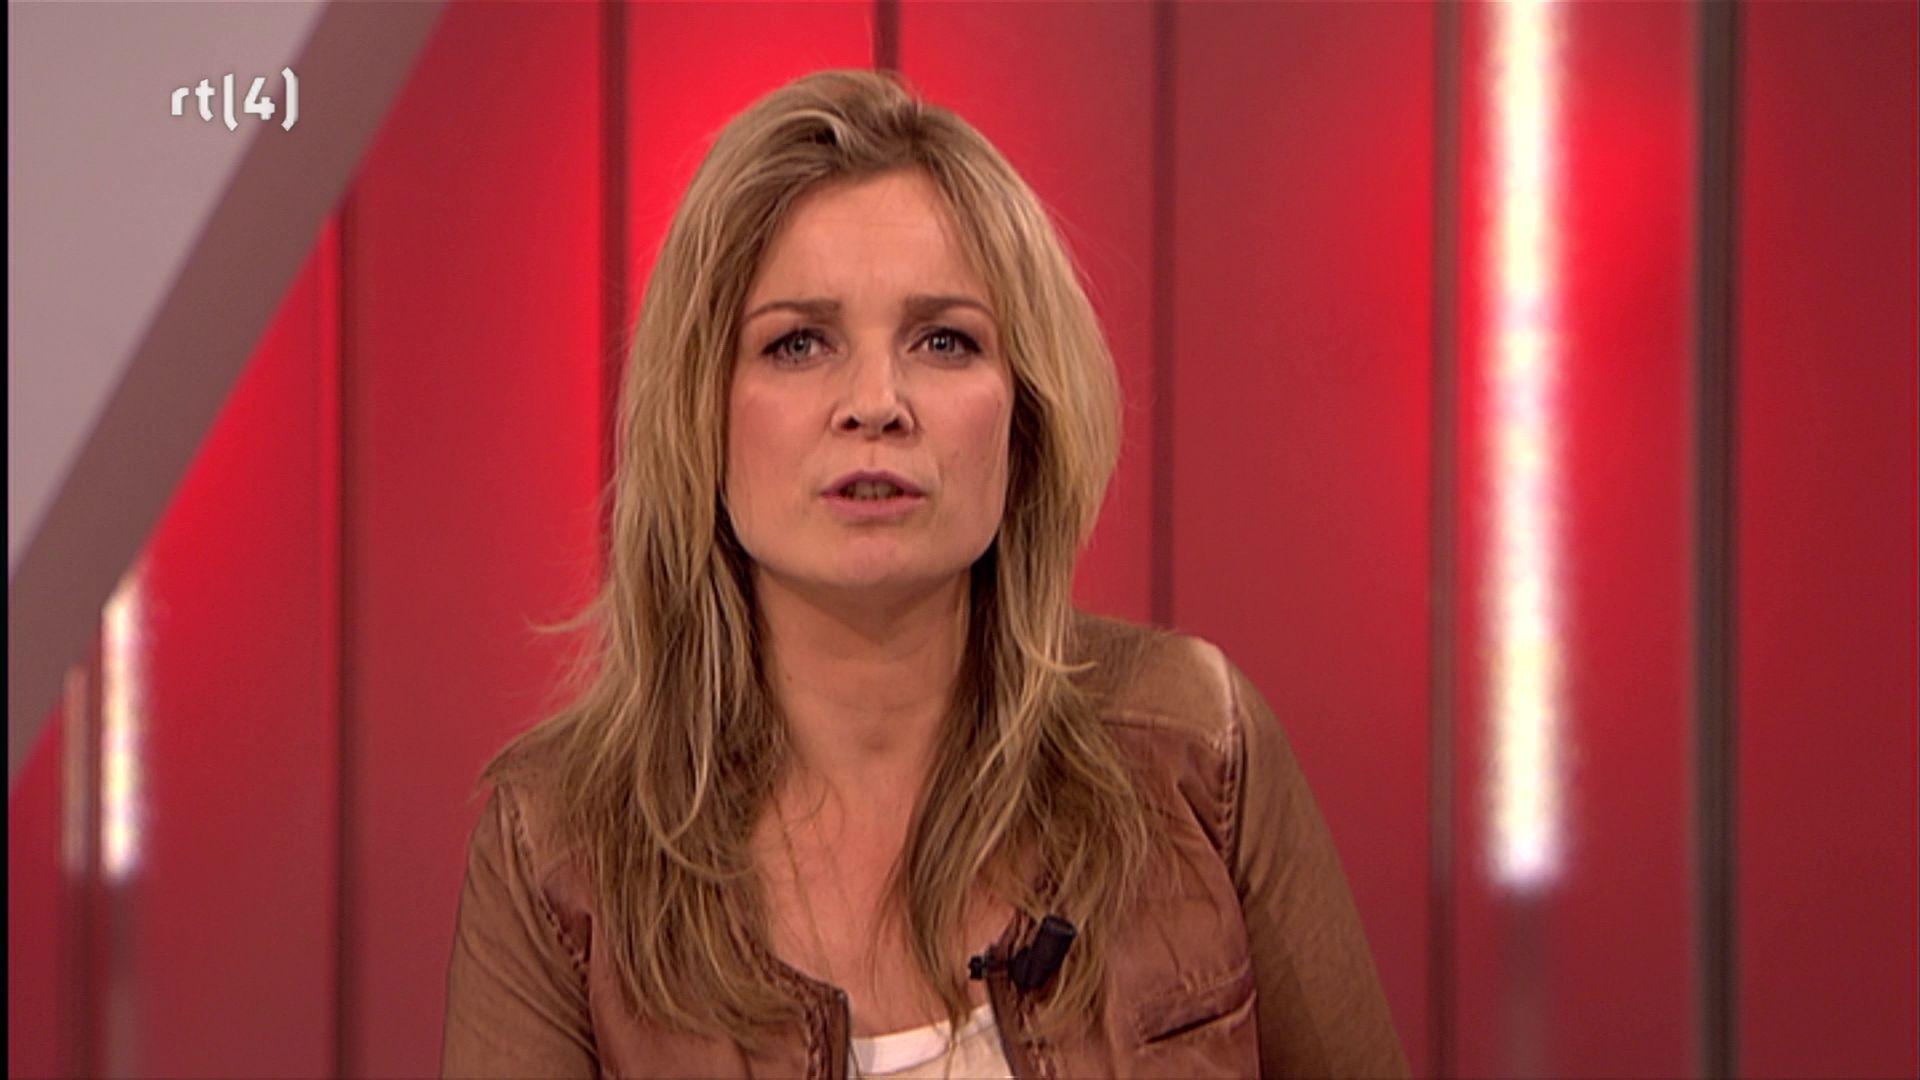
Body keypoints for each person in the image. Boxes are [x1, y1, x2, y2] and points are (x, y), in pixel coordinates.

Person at [440, 68, 1406, 1080]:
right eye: (798, 343)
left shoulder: (1195, 749)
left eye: (944, 340)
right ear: (701, 417)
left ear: (1024, 416)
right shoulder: (558, 848)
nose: (876, 402)